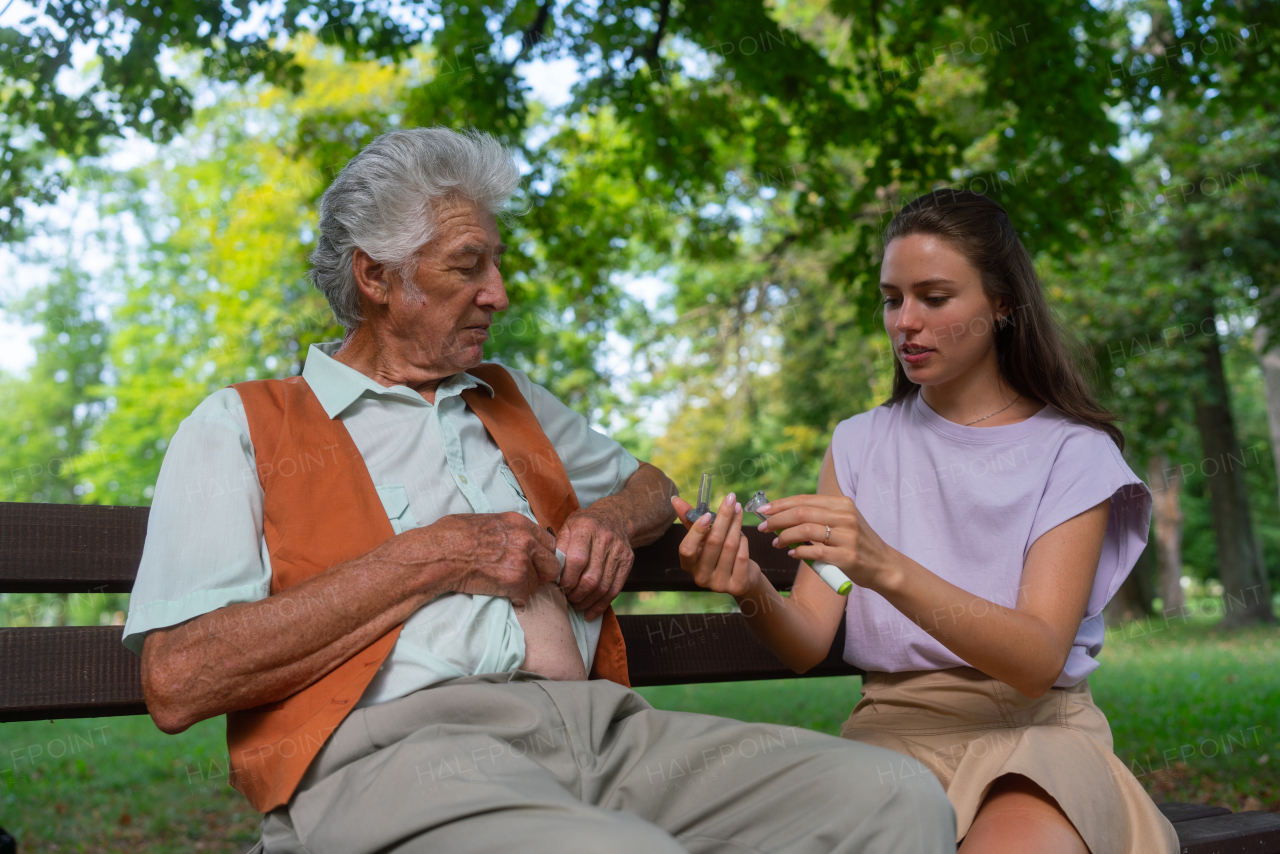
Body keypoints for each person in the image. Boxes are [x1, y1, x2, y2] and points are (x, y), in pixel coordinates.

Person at [123, 126, 956, 853]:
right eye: (467, 265)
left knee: (892, 800)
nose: (499, 292)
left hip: (602, 736)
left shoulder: (505, 397)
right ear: (376, 278)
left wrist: (607, 518)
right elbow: (179, 676)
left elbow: (651, 486)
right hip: (398, 756)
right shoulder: (241, 426)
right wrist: (437, 556)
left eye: (496, 261)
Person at [673, 189, 1180, 854]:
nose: (905, 321)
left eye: (934, 298)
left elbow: (1035, 660)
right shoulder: (857, 446)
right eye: (892, 299)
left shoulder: (1073, 453)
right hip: (887, 742)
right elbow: (806, 638)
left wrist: (883, 565)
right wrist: (747, 588)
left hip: (1037, 741)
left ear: (1001, 305)